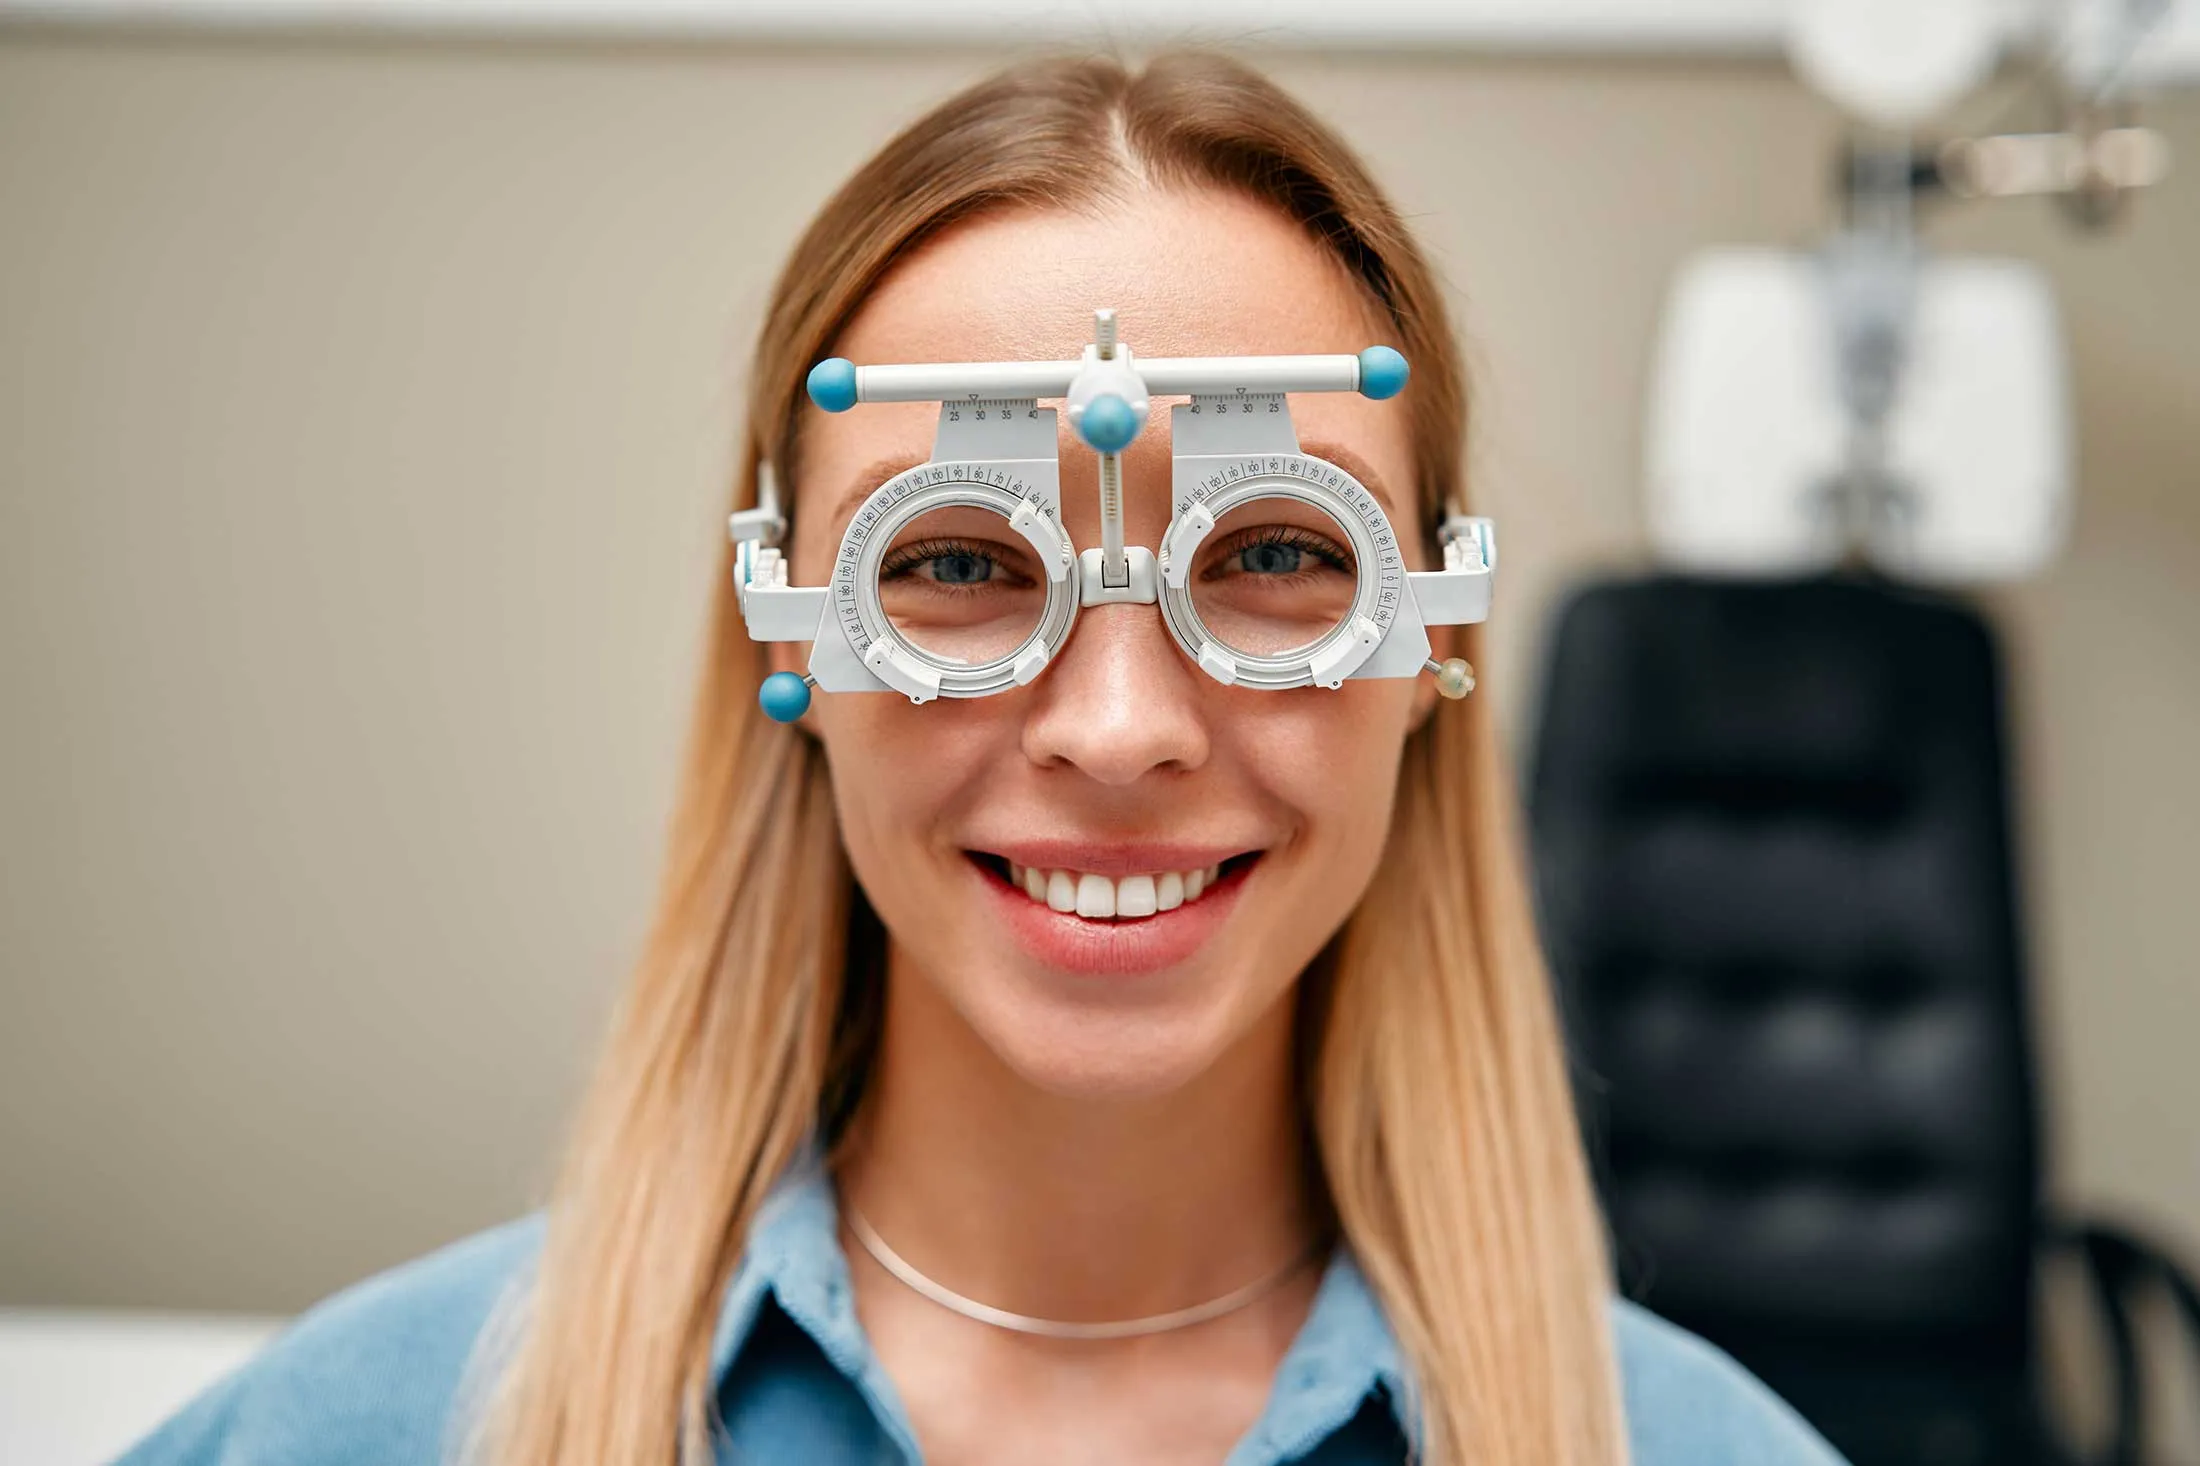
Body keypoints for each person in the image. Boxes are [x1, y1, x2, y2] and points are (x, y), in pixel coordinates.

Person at [119, 51, 1846, 1466]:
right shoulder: (371, 1427)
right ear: (788, 634)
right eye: (951, 563)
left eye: (1270, 555)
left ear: (1430, 643)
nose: (1118, 729)